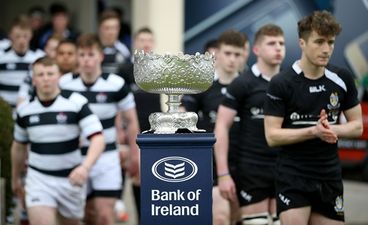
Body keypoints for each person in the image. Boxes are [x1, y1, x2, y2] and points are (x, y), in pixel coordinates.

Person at [263, 11, 363, 225]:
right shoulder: (281, 82)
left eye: (331, 42)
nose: (326, 49)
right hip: (293, 176)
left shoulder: (342, 78)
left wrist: (331, 130)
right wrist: (313, 131)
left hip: (329, 176)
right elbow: (272, 136)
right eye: (319, 42)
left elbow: (357, 127)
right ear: (302, 42)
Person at [11, 56, 105, 225]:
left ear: (59, 76)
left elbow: (98, 138)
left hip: (71, 179)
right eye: (40, 74)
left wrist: (85, 168)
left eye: (50, 73)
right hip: (38, 179)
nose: (46, 78)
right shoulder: (24, 110)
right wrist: (15, 177)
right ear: (33, 80)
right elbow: (18, 146)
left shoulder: (76, 102)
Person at [59, 33, 140, 225]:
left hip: (107, 156)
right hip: (76, 157)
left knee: (105, 215)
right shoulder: (65, 84)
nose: (86, 60)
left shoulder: (116, 84)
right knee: (85, 215)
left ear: (100, 56)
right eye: (82, 55)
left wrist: (134, 155)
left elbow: (131, 120)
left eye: (90, 54)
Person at [214, 24, 285, 225]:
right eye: (272, 43)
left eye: (281, 43)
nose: (278, 48)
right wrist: (223, 174)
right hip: (252, 170)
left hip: (285, 170)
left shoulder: (289, 82)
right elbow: (221, 126)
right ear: (256, 50)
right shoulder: (242, 84)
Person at [181, 30, 248, 225]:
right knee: (219, 218)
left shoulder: (249, 84)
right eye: (227, 53)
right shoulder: (202, 84)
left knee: (241, 219)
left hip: (246, 162)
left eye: (237, 54)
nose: (232, 59)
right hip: (211, 163)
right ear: (217, 53)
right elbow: (183, 117)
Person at [0, 15, 44, 111]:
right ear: (10, 35)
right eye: (17, 36)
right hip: (3, 111)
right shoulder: (1, 55)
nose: (21, 40)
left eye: (25, 36)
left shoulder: (39, 56)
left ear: (31, 35)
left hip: (28, 109)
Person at [98, 10, 130, 75]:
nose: (111, 32)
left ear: (118, 29)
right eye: (107, 28)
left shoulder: (125, 50)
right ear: (100, 28)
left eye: (113, 28)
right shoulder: (93, 49)